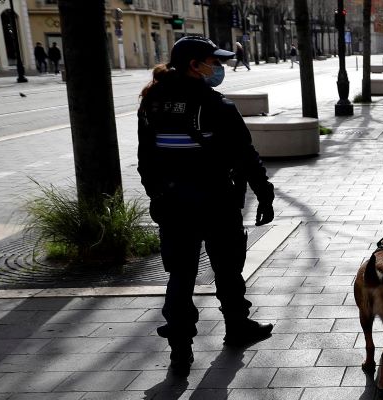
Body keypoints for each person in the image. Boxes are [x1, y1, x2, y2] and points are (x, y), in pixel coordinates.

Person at [137, 36, 275, 374]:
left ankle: (180, 348)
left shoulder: (151, 102)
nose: (219, 67)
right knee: (227, 269)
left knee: (181, 274)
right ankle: (237, 327)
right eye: (214, 62)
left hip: (172, 203)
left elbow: (145, 159)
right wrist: (264, 192)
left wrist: (156, 193)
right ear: (195, 66)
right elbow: (245, 156)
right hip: (216, 201)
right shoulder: (216, 106)